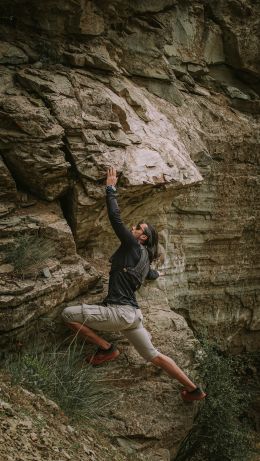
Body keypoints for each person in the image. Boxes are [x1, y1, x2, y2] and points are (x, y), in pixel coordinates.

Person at [62, 167, 206, 402]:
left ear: (143, 238)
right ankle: (194, 390)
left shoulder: (132, 246)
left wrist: (111, 188)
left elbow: (115, 218)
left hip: (119, 313)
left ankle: (107, 349)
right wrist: (156, 274)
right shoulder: (145, 260)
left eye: (138, 228)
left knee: (68, 315)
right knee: (155, 355)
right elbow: (151, 275)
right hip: (133, 316)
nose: (133, 229)